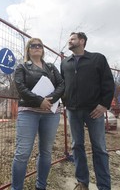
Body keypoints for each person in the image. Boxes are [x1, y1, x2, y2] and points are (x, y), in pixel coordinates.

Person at [60, 32, 115, 190]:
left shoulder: (98, 59)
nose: (69, 41)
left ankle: (104, 186)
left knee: (99, 148)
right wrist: (64, 103)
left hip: (94, 111)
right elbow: (62, 85)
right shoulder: (65, 63)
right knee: (77, 146)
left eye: (72, 39)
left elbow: (108, 83)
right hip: (73, 111)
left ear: (82, 41)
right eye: (69, 39)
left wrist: (104, 105)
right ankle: (82, 182)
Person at [11, 38, 65, 190]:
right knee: (22, 153)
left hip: (51, 114)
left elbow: (61, 84)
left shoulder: (51, 67)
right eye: (33, 45)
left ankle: (41, 186)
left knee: (46, 152)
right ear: (28, 49)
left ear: (42, 49)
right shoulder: (22, 67)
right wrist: (39, 100)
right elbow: (21, 87)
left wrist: (51, 99)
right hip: (29, 112)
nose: (36, 47)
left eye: (39, 45)